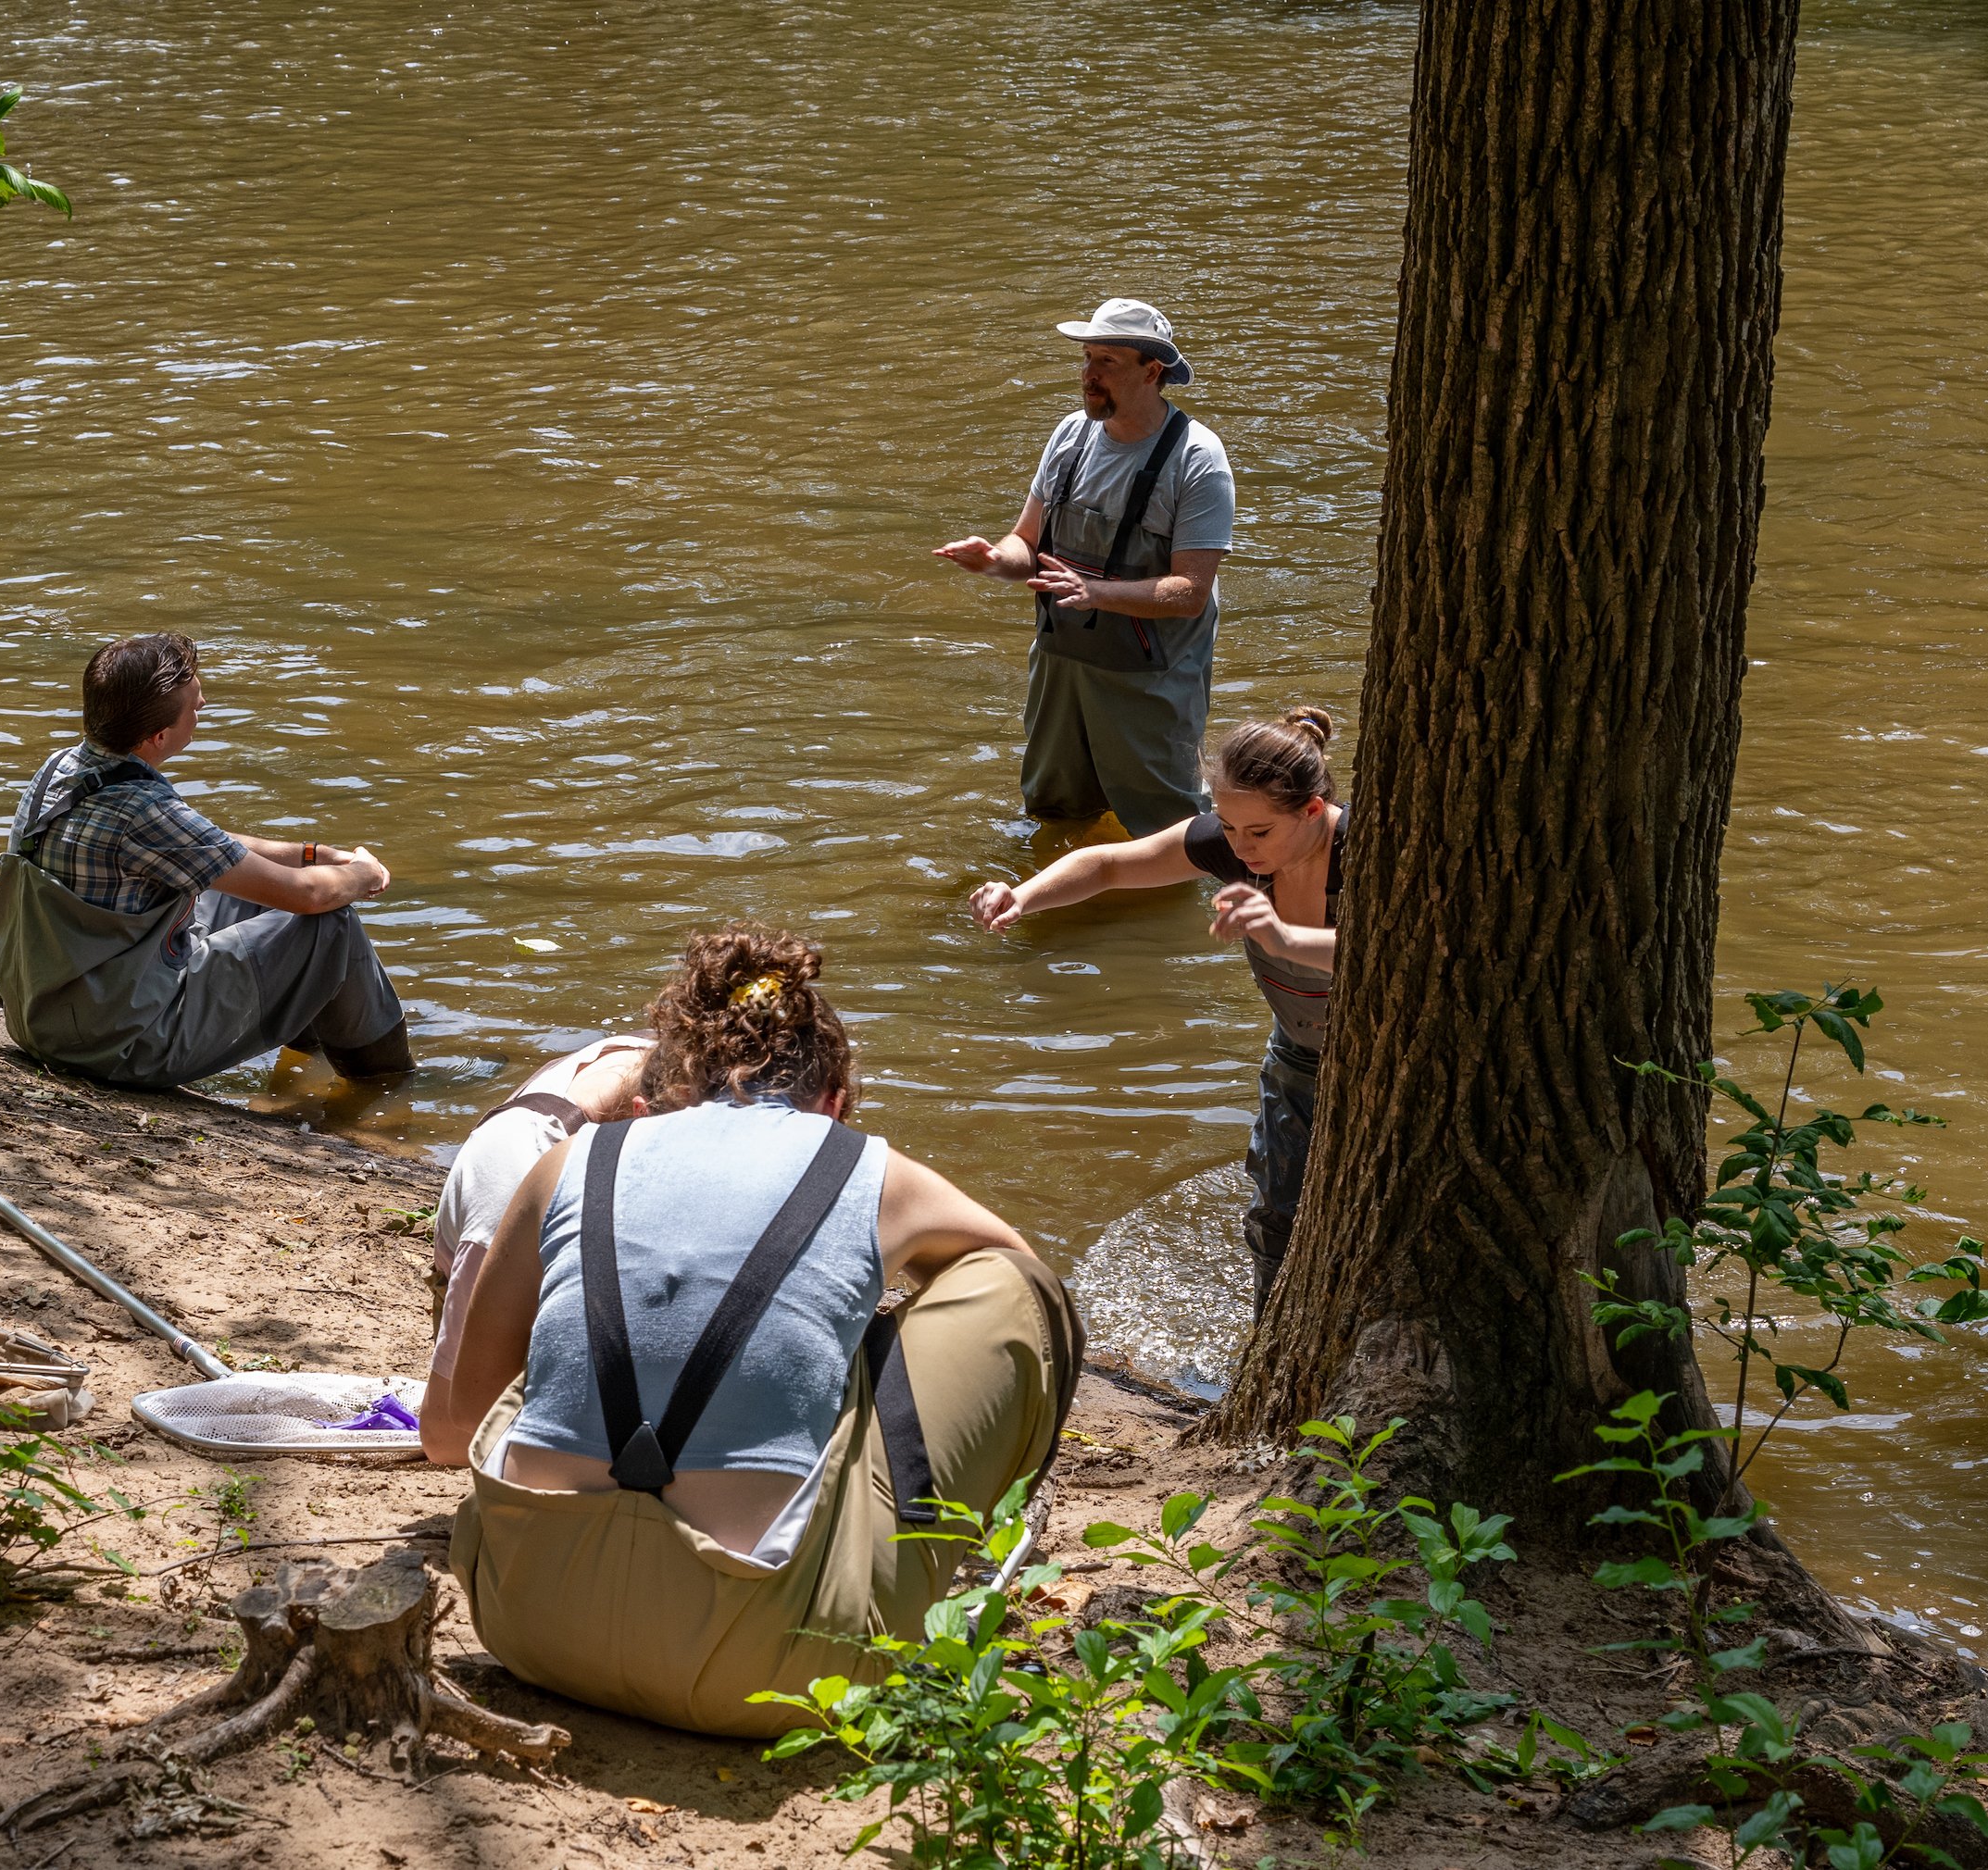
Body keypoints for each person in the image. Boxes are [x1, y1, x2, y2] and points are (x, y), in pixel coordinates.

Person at [424, 926, 1081, 1739]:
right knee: (1014, 1284)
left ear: (664, 1096)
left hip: (524, 1621)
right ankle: (917, 1572)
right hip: (781, 1674)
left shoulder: (573, 1158)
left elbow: (454, 1431)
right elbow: (1023, 1286)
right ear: (834, 1102)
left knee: (581, 1310)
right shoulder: (871, 1167)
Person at [969, 707, 1343, 1315]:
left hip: (1390, 1062)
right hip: (1298, 1055)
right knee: (1276, 1219)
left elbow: (1410, 954)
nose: (1242, 850)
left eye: (1259, 833)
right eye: (1226, 828)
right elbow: (1110, 865)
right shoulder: (1234, 847)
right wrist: (1024, 896)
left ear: (1311, 810)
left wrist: (1285, 939)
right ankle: (1273, 1344)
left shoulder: (1366, 852)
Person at [0, 632, 416, 1089]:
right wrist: (362, 872)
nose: (204, 705)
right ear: (158, 736)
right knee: (330, 926)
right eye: (194, 704)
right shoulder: (143, 810)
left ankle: (299, 1067)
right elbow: (306, 895)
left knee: (249, 900)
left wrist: (309, 854)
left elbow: (207, 846)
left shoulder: (62, 770)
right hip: (118, 1047)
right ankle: (385, 1085)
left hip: (45, 1016)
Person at [934, 296, 1235, 837]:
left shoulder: (1197, 459)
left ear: (1152, 370)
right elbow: (1028, 543)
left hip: (1150, 682)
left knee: (1168, 834)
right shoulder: (1070, 436)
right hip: (1061, 669)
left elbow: (1190, 591)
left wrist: (1096, 593)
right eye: (1087, 358)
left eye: (1106, 363)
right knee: (1053, 815)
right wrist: (994, 560)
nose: (1088, 375)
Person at [427, 1033, 653, 1378]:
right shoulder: (515, 1174)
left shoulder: (656, 1056)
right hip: (494, 1314)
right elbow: (452, 1419)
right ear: (643, 1113)